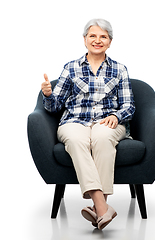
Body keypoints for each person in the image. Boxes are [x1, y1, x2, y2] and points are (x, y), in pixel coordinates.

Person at [41, 19, 135, 230]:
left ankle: (96, 207)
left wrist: (118, 116)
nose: (97, 40)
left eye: (103, 36)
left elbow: (129, 105)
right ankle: (102, 206)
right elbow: (54, 106)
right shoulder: (71, 67)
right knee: (75, 139)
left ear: (110, 42)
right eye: (93, 36)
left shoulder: (120, 69)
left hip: (107, 121)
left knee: (102, 137)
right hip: (75, 121)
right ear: (84, 40)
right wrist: (47, 94)